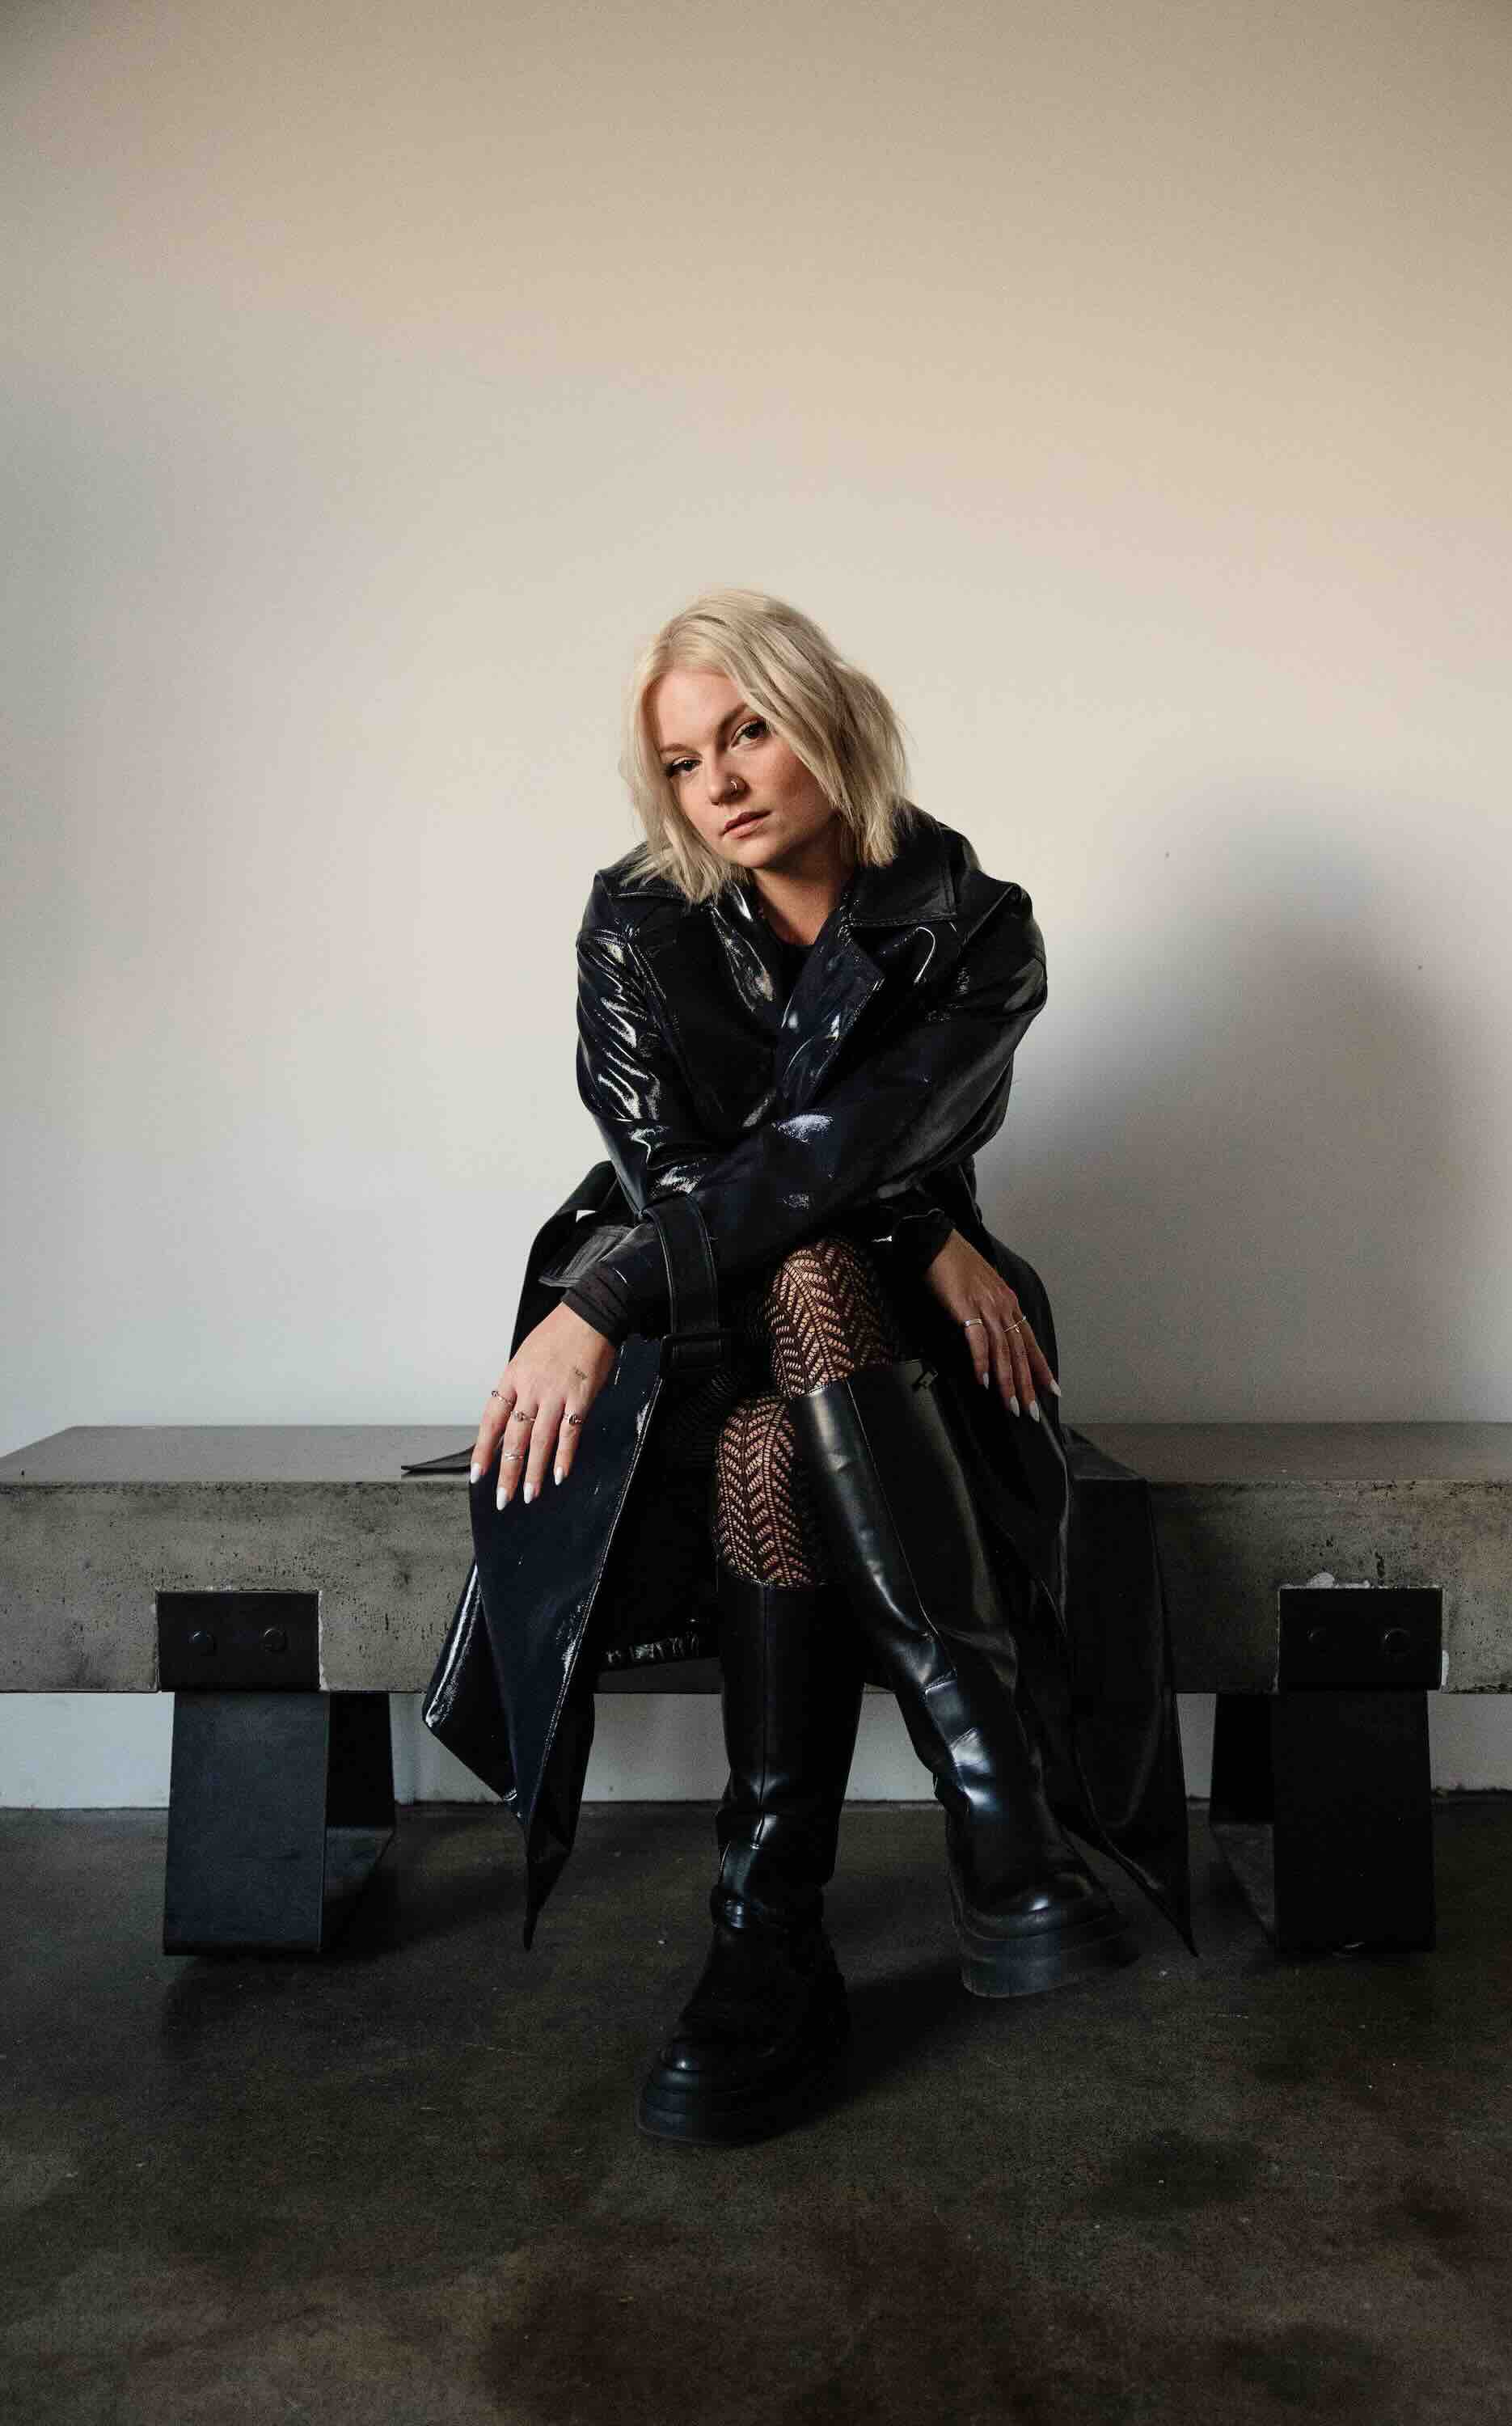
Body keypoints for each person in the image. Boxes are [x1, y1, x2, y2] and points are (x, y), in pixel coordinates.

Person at [427, 589, 1190, 2148]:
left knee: (794, 1403)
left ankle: (763, 1931)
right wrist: (904, 1237)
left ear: (826, 714)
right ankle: (1000, 1808)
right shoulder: (636, 917)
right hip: (693, 1322)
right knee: (811, 1280)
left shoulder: (976, 926)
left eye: (748, 729)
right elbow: (676, 1168)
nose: (717, 779)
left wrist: (885, 1231)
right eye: (684, 757)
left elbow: (865, 1136)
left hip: (882, 1362)